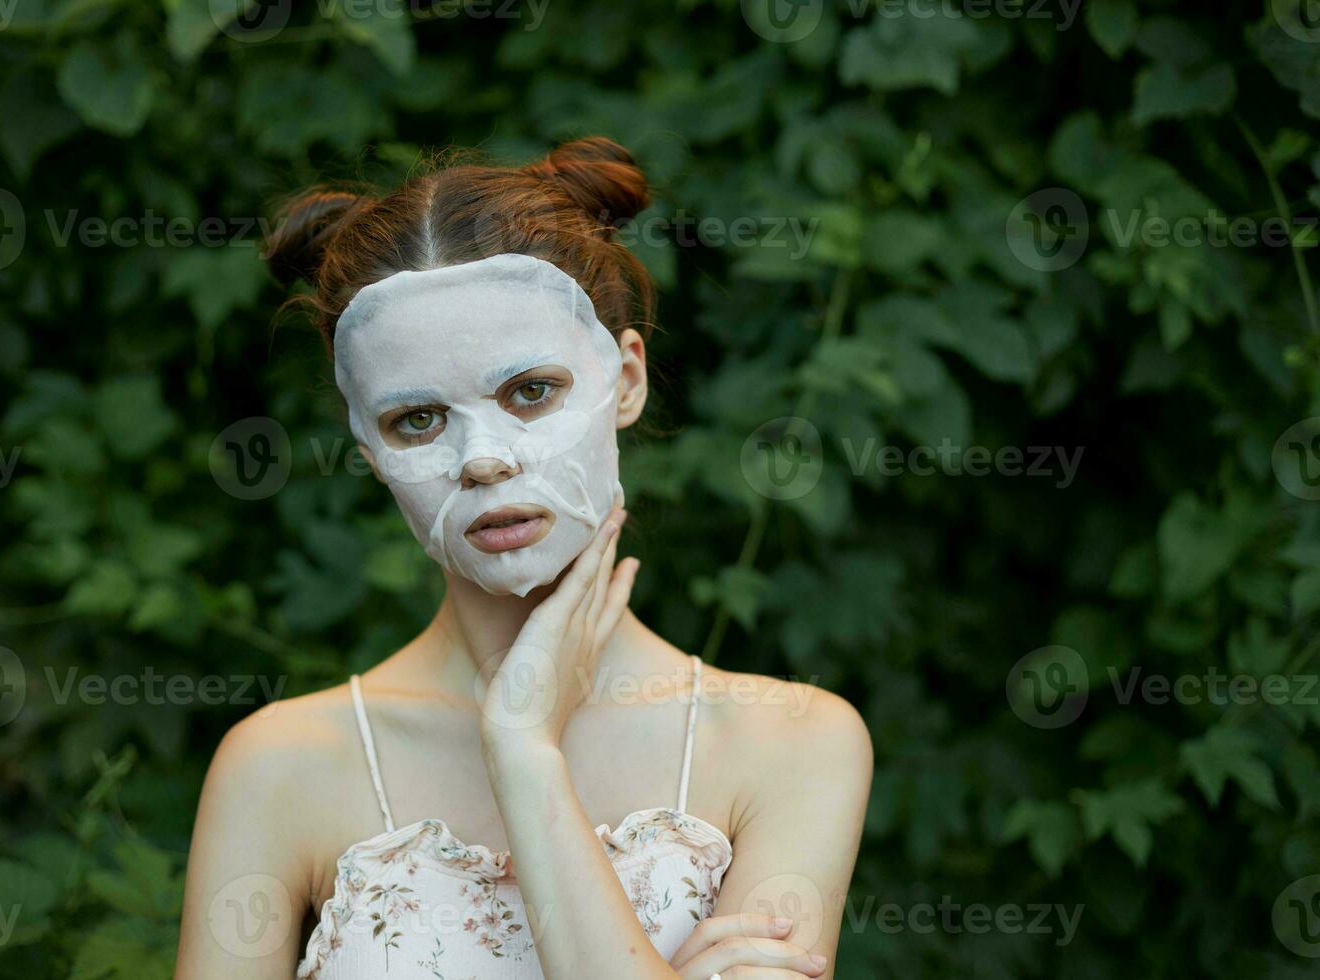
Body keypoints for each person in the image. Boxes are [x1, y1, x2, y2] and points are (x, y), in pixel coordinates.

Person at [175, 137, 873, 980]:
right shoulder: (279, 767)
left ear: (625, 379)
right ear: (366, 447)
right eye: (417, 420)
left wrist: (523, 749)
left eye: (529, 392)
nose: (483, 459)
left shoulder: (789, 743)